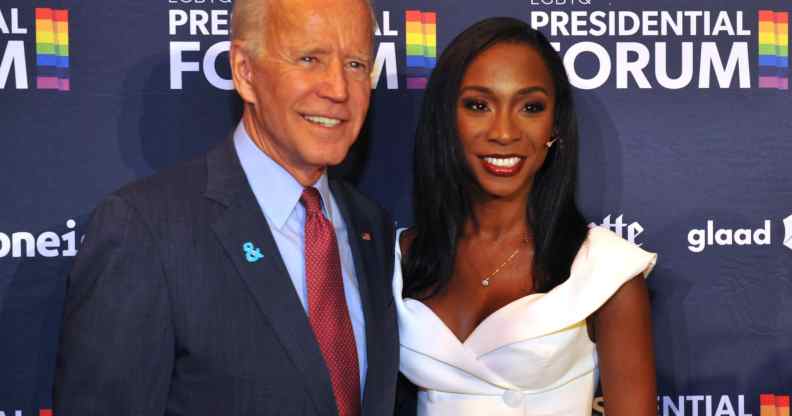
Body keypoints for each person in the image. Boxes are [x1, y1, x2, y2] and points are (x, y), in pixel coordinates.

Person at [54, 0, 398, 415]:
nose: (338, 89)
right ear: (244, 71)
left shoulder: (371, 225)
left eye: (356, 64)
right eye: (309, 59)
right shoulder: (146, 229)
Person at [394, 17, 657, 415]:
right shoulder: (395, 259)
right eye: (478, 105)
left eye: (530, 107)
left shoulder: (605, 270)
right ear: (446, 118)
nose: (504, 132)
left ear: (555, 126)